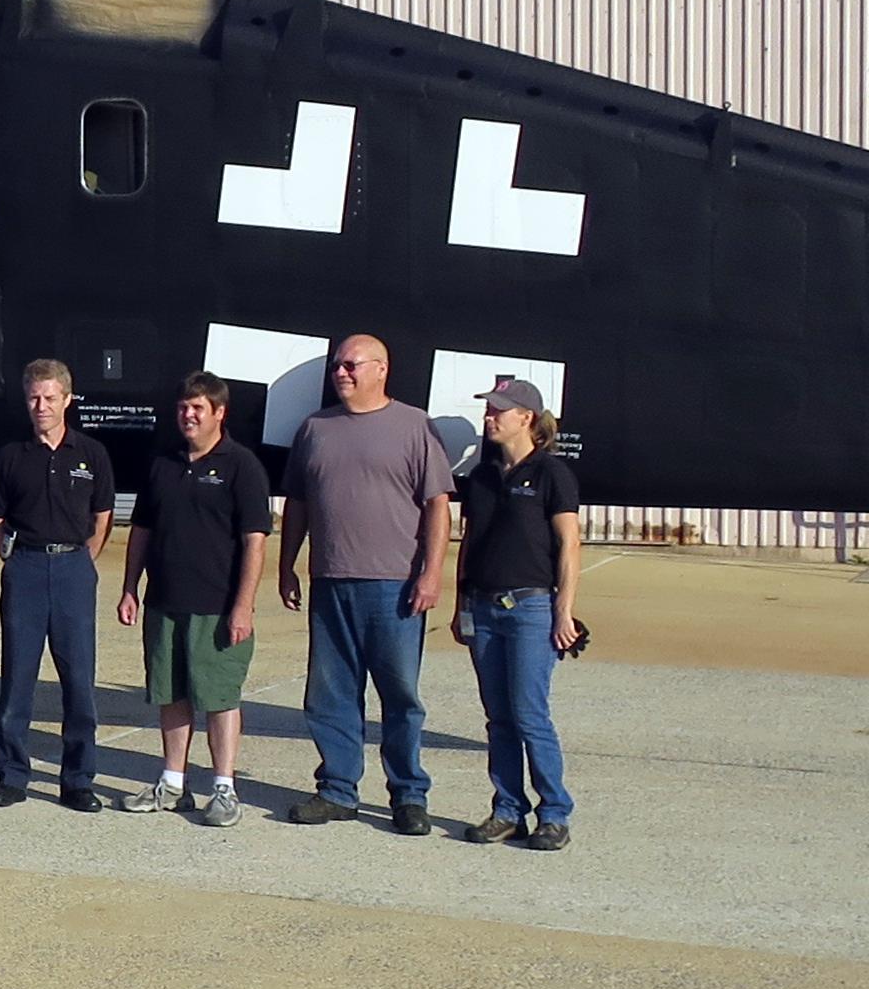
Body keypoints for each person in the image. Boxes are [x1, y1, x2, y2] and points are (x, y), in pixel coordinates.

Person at [274, 334, 452, 833]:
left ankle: (409, 796)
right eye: (337, 366)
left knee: (399, 696)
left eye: (351, 365)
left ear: (381, 370)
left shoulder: (414, 427)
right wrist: (288, 564)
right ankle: (337, 789)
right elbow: (299, 504)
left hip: (394, 587)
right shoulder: (315, 429)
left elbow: (437, 505)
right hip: (331, 580)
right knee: (330, 694)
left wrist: (431, 573)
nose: (342, 373)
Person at [113, 371, 272, 824]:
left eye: (198, 408)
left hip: (218, 609)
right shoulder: (162, 463)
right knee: (171, 693)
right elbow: (140, 531)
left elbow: (255, 541)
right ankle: (172, 783)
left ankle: (224, 789)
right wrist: (130, 589)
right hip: (165, 603)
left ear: (219, 413)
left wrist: (243, 606)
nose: (188, 415)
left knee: (220, 697)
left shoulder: (242, 466)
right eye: (183, 407)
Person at [449, 375, 581, 849]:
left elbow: (568, 545)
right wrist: (461, 603)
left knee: (529, 713)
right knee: (498, 717)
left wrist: (562, 612)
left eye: (498, 410)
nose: (489, 417)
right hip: (484, 609)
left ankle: (554, 812)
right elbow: (470, 543)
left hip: (530, 608)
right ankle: (507, 809)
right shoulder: (481, 477)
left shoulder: (551, 474)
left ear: (526, 418)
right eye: (488, 409)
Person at [0, 359, 116, 810]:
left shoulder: (90, 453)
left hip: (74, 569)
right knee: (17, 677)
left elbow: (102, 516)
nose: (42, 406)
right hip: (25, 571)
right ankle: (11, 774)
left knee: (79, 681)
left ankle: (78, 779)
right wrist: (14, 558)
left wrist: (83, 560)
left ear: (68, 400)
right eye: (34, 398)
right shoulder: (11, 455)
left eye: (50, 398)